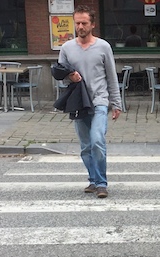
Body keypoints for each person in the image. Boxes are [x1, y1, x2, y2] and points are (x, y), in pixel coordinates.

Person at [58, 5, 122, 198]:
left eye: (84, 23)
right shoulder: (67, 48)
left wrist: (116, 103)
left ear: (92, 24)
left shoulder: (103, 47)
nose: (80, 26)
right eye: (77, 23)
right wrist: (70, 76)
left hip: (99, 101)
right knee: (86, 146)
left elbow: (111, 76)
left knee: (97, 141)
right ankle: (93, 180)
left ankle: (102, 183)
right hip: (78, 102)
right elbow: (60, 77)